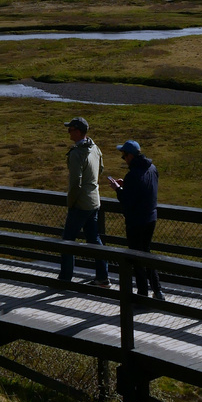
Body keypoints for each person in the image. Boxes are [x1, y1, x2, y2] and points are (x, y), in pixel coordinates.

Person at [106, 140, 163, 300]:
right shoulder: (152, 168)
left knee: (136, 257)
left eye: (124, 156)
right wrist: (128, 186)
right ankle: (157, 290)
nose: (123, 159)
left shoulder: (132, 175)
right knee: (146, 252)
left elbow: (127, 200)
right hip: (151, 218)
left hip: (136, 221)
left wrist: (118, 189)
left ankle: (142, 295)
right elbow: (144, 190)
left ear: (130, 156)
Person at [57, 117, 106, 285]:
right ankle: (103, 277)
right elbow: (101, 169)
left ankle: (65, 279)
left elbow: (75, 183)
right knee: (94, 240)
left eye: (70, 130)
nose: (68, 132)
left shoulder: (77, 153)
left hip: (80, 204)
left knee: (68, 241)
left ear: (78, 131)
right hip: (94, 201)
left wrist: (71, 203)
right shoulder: (95, 148)